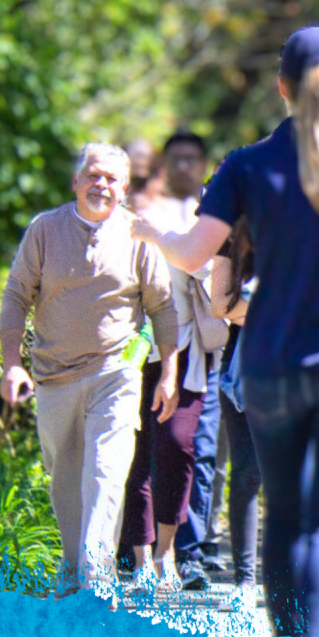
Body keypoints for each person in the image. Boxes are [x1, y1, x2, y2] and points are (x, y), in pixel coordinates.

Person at [131, 26, 319, 637]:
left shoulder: (244, 164)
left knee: (284, 512)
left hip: (272, 365)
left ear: (280, 86)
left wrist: (154, 235)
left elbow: (193, 254)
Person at [0, 142, 178, 605]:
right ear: (76, 181)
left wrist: (169, 371)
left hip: (116, 371)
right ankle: (75, 567)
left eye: (112, 178)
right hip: (53, 374)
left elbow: (161, 306)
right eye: (93, 175)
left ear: (124, 188)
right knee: (64, 476)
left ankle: (95, 580)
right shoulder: (45, 230)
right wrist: (12, 365)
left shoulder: (140, 237)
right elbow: (17, 295)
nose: (102, 185)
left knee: (106, 471)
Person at [119, 129, 225, 594]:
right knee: (135, 455)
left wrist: (173, 244)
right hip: (137, 350)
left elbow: (212, 271)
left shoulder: (212, 213)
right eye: (175, 159)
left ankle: (169, 549)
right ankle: (141, 558)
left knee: (181, 446)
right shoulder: (142, 208)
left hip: (188, 355)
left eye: (192, 159)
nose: (184, 167)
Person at [208, 218, 262, 612]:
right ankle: (245, 579)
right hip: (244, 370)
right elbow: (220, 304)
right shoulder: (231, 241)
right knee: (246, 473)